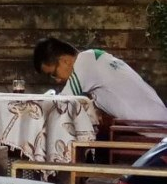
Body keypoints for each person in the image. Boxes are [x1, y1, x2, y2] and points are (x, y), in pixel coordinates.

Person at [32, 37, 167, 125]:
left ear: (65, 61)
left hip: (154, 131)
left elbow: (61, 103)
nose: (57, 80)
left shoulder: (84, 63)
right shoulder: (94, 56)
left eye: (53, 74)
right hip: (157, 123)